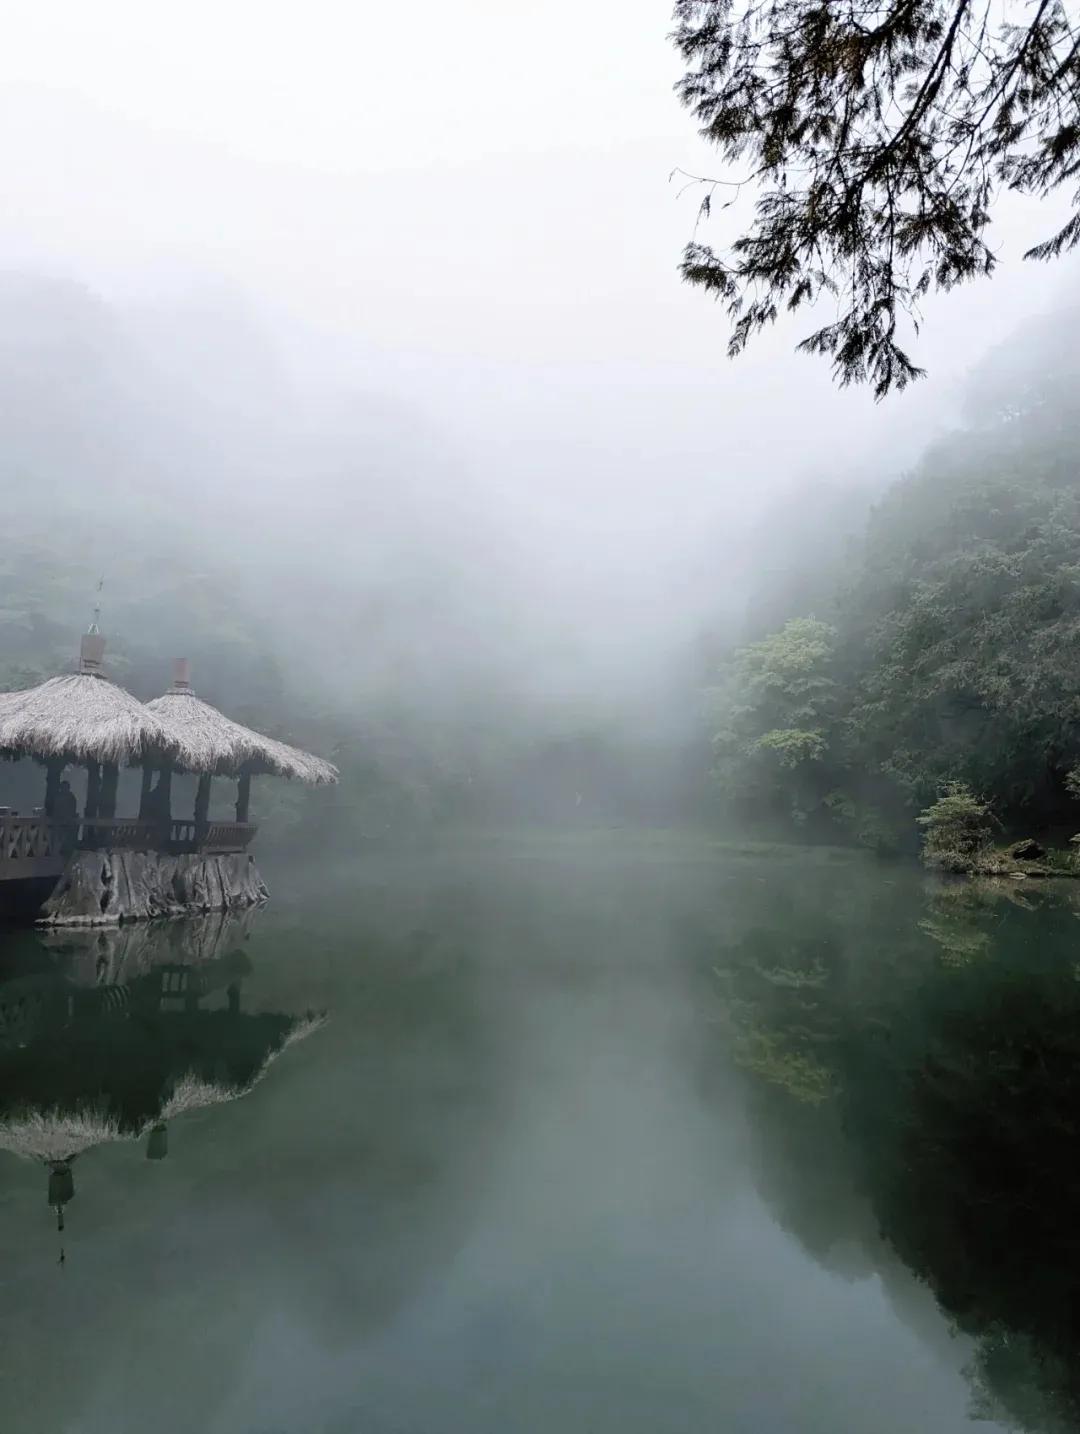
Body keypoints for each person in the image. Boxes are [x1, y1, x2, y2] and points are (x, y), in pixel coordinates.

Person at [55, 780, 78, 853]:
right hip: (59, 823)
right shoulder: (58, 796)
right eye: (62, 787)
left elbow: (72, 810)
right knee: (58, 839)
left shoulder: (71, 797)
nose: (63, 789)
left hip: (68, 823)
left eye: (65, 787)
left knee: (66, 839)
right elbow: (55, 808)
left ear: (68, 788)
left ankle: (65, 851)